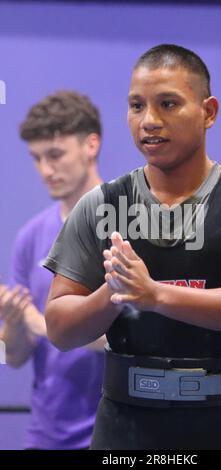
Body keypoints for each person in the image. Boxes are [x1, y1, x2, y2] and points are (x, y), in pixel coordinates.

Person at [44, 45, 221, 450]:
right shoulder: (101, 205)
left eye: (168, 104)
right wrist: (112, 293)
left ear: (208, 112)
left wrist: (155, 295)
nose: (149, 121)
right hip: (123, 433)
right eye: (136, 105)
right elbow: (59, 327)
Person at [0, 91, 106, 450]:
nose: (46, 170)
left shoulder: (128, 225)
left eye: (55, 155)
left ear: (91, 145)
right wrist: (14, 324)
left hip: (114, 437)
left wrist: (39, 323)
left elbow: (128, 341)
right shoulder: (30, 236)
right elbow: (13, 357)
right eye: (36, 158)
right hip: (45, 436)